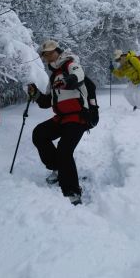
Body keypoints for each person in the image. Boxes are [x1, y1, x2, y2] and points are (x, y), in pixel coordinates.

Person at [28, 40, 88, 206]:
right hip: (61, 118)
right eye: (44, 55)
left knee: (64, 150)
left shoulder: (71, 64)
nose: (47, 57)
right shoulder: (54, 75)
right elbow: (47, 102)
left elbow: (78, 77)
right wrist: (36, 94)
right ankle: (58, 168)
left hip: (78, 117)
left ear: (57, 51)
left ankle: (72, 192)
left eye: (49, 53)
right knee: (39, 133)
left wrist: (67, 81)